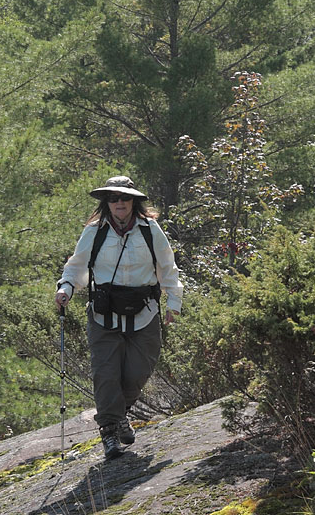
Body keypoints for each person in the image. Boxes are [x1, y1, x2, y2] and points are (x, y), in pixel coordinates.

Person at [55, 175, 182, 459]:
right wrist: (65, 288)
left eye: (125, 198)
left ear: (134, 201)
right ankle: (110, 431)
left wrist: (174, 302)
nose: (119, 203)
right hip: (103, 313)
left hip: (145, 311)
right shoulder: (94, 232)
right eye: (113, 199)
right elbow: (76, 267)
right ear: (106, 203)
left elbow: (167, 266)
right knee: (105, 373)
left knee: (138, 371)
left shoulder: (150, 230)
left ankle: (119, 414)